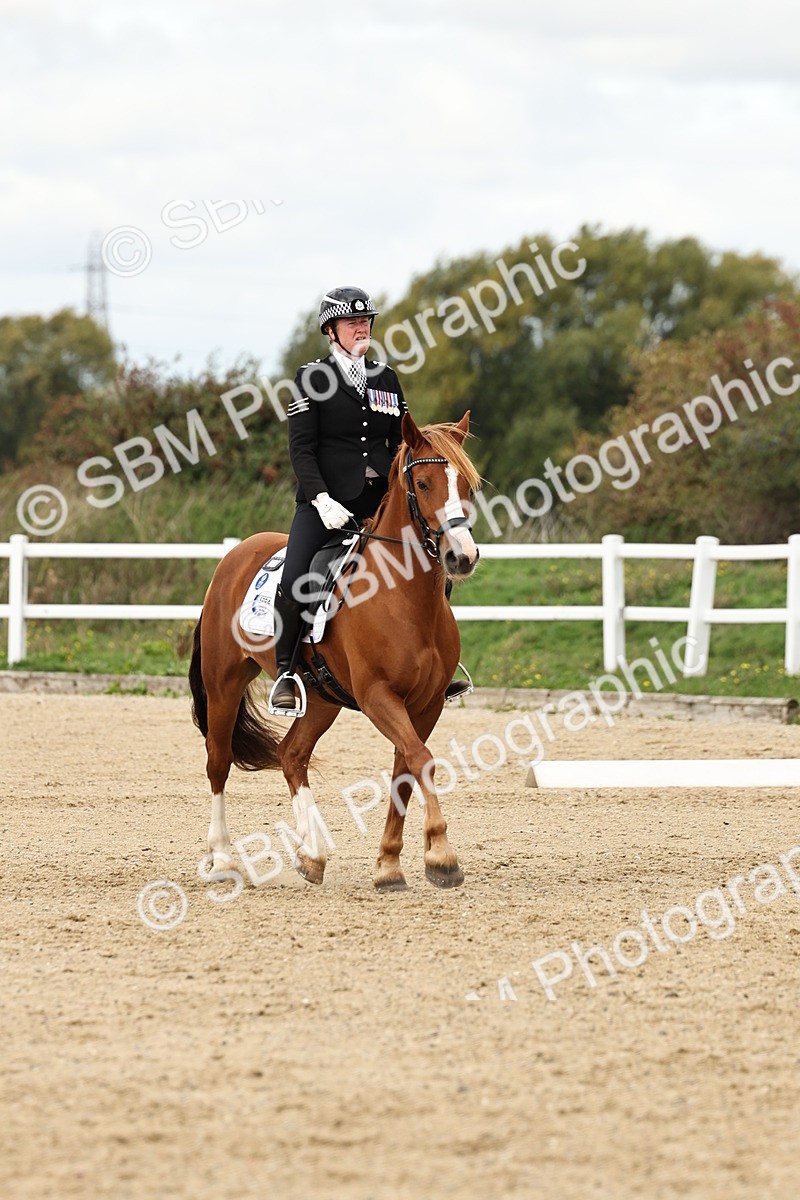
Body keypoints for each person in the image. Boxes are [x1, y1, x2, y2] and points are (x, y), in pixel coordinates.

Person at [269, 285, 469, 714]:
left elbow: (405, 438)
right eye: (351, 322)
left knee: (435, 566)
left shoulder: (385, 378)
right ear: (331, 330)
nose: (361, 328)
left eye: (365, 321)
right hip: (324, 504)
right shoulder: (311, 379)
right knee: (295, 579)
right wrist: (320, 497)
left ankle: (438, 666)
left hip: (380, 502)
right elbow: (301, 448)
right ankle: (286, 673)